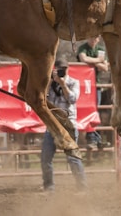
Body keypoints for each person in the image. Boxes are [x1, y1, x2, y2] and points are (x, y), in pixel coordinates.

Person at [41, 58, 86, 193]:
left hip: (68, 125)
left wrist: (62, 84)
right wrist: (49, 82)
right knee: (45, 158)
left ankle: (82, 188)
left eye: (64, 69)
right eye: (59, 69)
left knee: (73, 159)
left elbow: (72, 99)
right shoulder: (49, 83)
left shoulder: (73, 82)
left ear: (68, 69)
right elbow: (42, 99)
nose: (62, 71)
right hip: (52, 126)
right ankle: (49, 187)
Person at [77, 36, 110, 149]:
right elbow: (83, 59)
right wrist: (98, 61)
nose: (93, 40)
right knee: (87, 111)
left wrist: (92, 62)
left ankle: (94, 137)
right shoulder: (83, 48)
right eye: (91, 37)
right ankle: (93, 138)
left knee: (95, 111)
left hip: (96, 84)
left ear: (98, 39)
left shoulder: (100, 49)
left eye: (95, 37)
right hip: (83, 85)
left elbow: (105, 67)